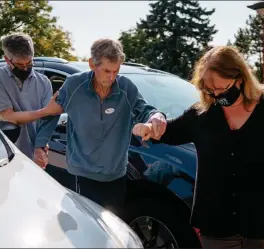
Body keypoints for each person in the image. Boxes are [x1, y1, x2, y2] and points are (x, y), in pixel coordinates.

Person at [132, 46, 264, 248]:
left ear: (241, 78)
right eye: (210, 90)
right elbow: (170, 132)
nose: (217, 96)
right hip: (216, 225)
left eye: (222, 89)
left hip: (263, 223)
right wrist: (151, 128)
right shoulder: (203, 114)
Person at [33, 38, 166, 217]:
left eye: (116, 71)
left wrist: (156, 117)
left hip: (116, 176)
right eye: (106, 71)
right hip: (83, 175)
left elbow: (145, 110)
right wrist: (40, 145)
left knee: (113, 231)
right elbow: (51, 113)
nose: (112, 77)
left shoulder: (126, 87)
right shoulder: (74, 85)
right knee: (86, 229)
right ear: (92, 65)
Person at [0, 33, 62, 161]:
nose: (26, 68)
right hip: (4, 154)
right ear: (7, 59)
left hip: (33, 155)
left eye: (29, 63)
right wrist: (45, 111)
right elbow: (7, 117)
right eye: (20, 65)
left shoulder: (43, 82)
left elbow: (46, 121)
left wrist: (40, 146)